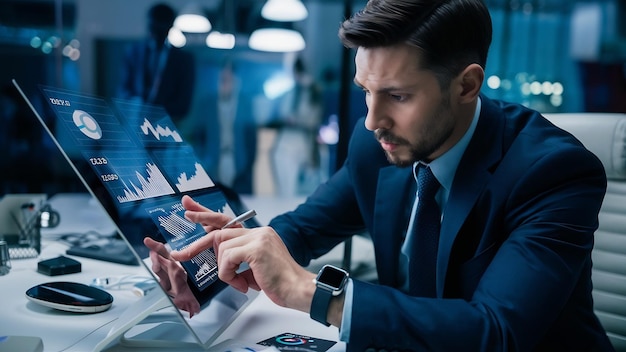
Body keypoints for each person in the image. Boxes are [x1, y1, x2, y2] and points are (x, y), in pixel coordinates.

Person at [145, 0, 615, 350]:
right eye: (366, 91)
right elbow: (305, 228)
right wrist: (209, 270)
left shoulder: (553, 172)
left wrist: (313, 294)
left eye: (397, 96)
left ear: (466, 85)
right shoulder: (377, 146)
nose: (372, 120)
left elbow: (497, 331)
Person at [117, 3, 195, 123]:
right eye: (154, 28)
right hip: (135, 126)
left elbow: (183, 105)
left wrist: (156, 114)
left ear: (169, 28)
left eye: (161, 30)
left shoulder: (183, 61)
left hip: (166, 130)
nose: (156, 35)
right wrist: (136, 105)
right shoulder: (133, 53)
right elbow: (122, 92)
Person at [270, 57, 324, 196]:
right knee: (284, 189)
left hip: (302, 144)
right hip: (285, 144)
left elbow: (313, 120)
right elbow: (283, 114)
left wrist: (298, 121)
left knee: (295, 191)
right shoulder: (291, 92)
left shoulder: (312, 92)